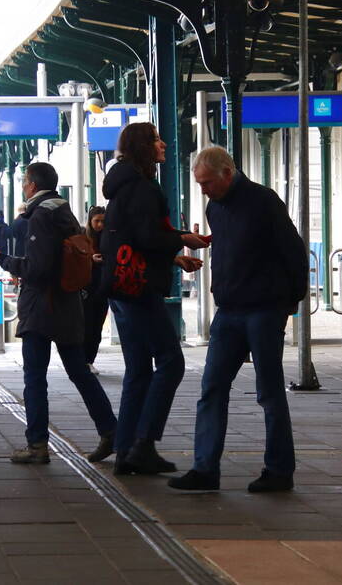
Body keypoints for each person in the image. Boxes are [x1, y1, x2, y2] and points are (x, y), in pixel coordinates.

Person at [169, 147, 306, 493]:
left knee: (269, 392)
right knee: (211, 388)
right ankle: (204, 468)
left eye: (207, 182)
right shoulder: (215, 207)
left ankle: (278, 470)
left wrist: (292, 300)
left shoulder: (264, 201)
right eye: (199, 184)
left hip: (263, 309)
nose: (203, 190)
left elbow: (293, 250)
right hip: (228, 311)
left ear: (228, 173)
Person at [101, 122, 208, 475]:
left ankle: (125, 449)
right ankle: (143, 443)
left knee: (138, 370)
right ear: (144, 147)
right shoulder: (144, 188)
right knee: (171, 362)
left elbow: (131, 238)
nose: (163, 144)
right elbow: (148, 237)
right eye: (156, 140)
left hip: (120, 285)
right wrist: (181, 239)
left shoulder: (120, 186)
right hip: (140, 288)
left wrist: (173, 256)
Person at [0, 162, 117, 465]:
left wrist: (8, 262)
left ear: (33, 184)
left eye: (25, 182)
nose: (23, 186)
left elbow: (38, 269)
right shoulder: (66, 213)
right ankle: (111, 430)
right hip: (68, 306)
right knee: (79, 372)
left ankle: (37, 445)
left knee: (35, 377)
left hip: (42, 309)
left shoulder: (40, 217)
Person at [82, 205, 108, 375]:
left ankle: (89, 360)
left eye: (103, 221)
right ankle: (84, 360)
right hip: (87, 288)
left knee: (97, 327)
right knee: (86, 324)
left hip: (103, 288)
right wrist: (90, 259)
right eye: (97, 221)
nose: (100, 225)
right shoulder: (84, 238)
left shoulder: (109, 237)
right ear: (90, 222)